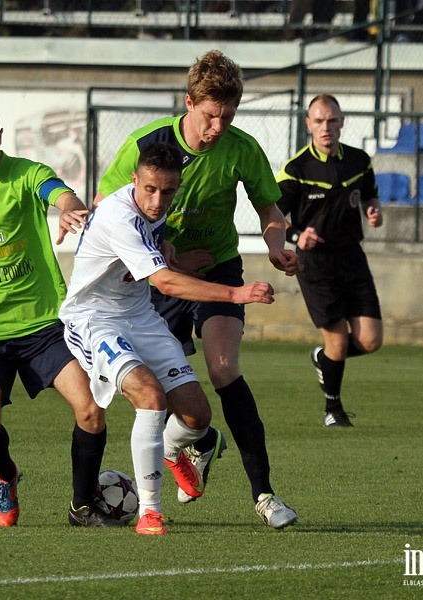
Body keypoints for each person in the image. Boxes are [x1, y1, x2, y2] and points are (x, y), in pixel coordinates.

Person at [95, 50, 298, 529]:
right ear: (189, 102)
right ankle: (198, 442)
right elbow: (109, 205)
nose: (218, 127)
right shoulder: (149, 144)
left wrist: (276, 246)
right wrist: (165, 255)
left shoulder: (242, 148)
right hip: (156, 277)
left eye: (228, 116)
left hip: (217, 267)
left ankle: (265, 496)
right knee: (160, 393)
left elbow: (270, 210)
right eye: (210, 116)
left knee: (224, 369)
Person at [61, 142, 283, 534]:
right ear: (135, 180)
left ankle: (166, 447)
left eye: (167, 191)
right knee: (149, 396)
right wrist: (235, 293)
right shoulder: (120, 216)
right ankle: (150, 511)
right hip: (95, 320)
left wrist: (175, 256)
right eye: (150, 189)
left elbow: (158, 255)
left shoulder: (156, 210)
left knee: (198, 416)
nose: (158, 200)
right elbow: (162, 280)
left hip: (139, 315)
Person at [0, 100, 119, 528]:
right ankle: (6, 474)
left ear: (0, 140)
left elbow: (58, 191)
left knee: (91, 409)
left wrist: (68, 207)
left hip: (43, 326)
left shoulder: (26, 174)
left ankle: (82, 506)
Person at [275, 94, 383, 428]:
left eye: (332, 120)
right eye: (319, 121)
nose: (326, 127)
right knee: (337, 339)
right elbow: (273, 214)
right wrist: (295, 236)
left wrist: (373, 209)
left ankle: (323, 358)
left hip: (353, 257)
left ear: (342, 122)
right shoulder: (296, 169)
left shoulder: (359, 160)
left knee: (370, 340)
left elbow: (369, 193)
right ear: (308, 124)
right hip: (316, 263)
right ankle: (333, 409)